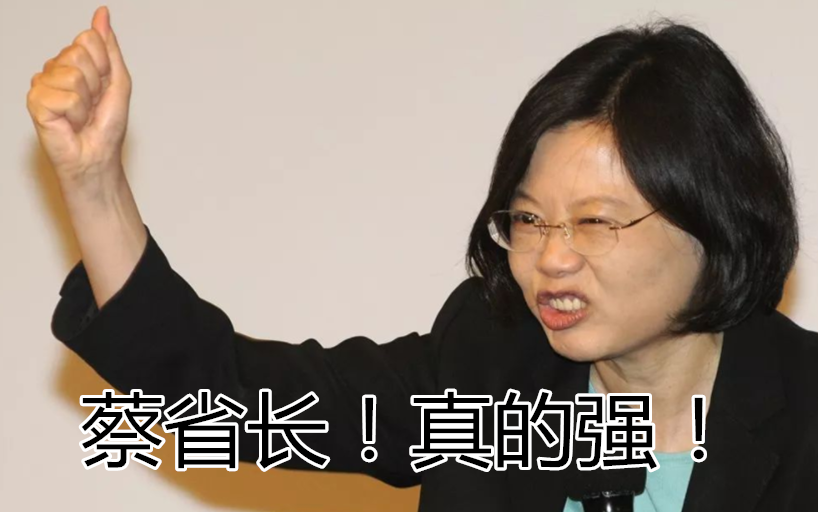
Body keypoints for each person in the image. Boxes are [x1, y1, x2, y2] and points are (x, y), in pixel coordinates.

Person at [27, 6, 818, 512]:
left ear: (713, 223)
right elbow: (228, 400)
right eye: (529, 219)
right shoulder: (487, 365)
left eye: (595, 222)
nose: (551, 257)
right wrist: (94, 186)